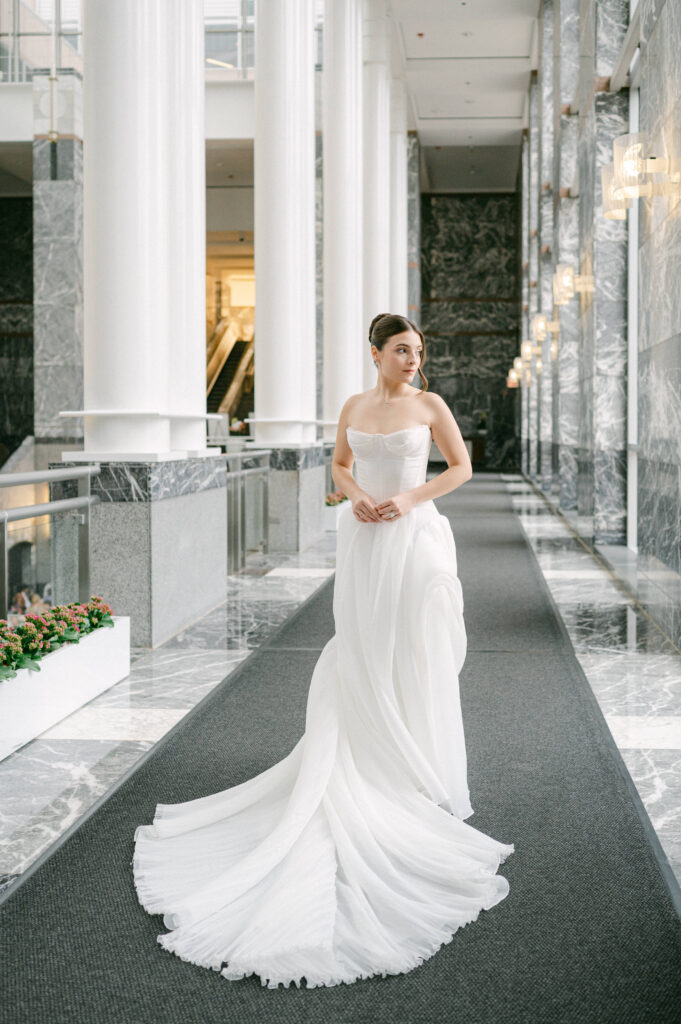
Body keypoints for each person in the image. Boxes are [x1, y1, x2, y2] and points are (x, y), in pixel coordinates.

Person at [132, 312, 514, 989]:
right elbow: (339, 463)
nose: (411, 360)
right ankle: (366, 748)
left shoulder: (429, 404)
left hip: (414, 532)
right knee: (361, 642)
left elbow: (460, 466)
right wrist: (360, 497)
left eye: (416, 352)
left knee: (415, 638)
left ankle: (411, 754)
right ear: (375, 353)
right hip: (365, 536)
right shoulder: (354, 404)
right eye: (400, 350)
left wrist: (406, 497)